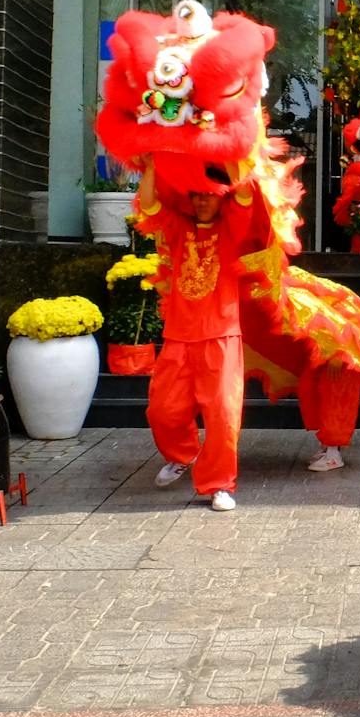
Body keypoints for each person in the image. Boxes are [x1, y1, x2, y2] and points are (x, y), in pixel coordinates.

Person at [142, 186, 252, 511]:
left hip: (221, 334)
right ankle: (183, 454)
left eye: (210, 194)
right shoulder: (179, 227)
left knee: (222, 415)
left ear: (223, 197)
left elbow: (245, 196)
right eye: (197, 194)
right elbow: (149, 203)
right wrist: (149, 165)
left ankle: (219, 484)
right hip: (178, 335)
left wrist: (240, 153)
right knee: (161, 410)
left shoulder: (233, 227)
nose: (202, 200)